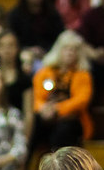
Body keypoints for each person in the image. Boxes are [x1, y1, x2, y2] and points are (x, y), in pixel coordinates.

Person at [30, 30, 94, 158]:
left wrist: (57, 109)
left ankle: (59, 167)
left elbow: (81, 100)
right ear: (58, 50)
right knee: (34, 123)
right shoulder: (44, 72)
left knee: (63, 130)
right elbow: (37, 98)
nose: (70, 52)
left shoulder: (83, 75)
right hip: (47, 117)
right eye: (66, 49)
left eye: (74, 49)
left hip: (71, 120)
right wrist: (43, 109)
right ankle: (24, 167)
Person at [8, 0, 64, 72]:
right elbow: (11, 39)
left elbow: (60, 37)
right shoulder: (15, 15)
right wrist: (28, 50)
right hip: (22, 55)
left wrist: (45, 51)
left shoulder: (52, 13)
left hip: (50, 54)